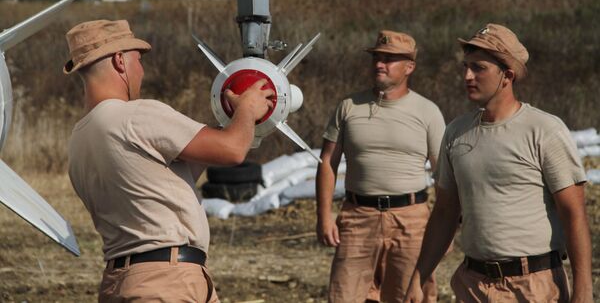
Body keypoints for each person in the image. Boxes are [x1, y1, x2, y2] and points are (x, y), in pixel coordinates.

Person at [64, 19, 274, 302]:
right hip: (166, 280)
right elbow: (233, 150)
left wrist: (231, 122)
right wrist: (248, 109)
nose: (142, 71)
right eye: (138, 61)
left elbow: (167, 179)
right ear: (119, 61)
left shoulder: (78, 140)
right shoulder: (137, 115)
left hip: (122, 281)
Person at [404, 24, 592, 303]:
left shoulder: (543, 130)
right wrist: (418, 278)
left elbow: (573, 214)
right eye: (466, 67)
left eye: (479, 68)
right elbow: (445, 212)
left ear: (507, 75)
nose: (467, 76)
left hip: (533, 287)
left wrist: (583, 292)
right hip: (473, 285)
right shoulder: (456, 132)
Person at [316, 30, 445, 303]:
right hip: (357, 218)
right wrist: (324, 216)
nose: (379, 64)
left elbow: (443, 174)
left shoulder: (428, 111)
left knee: (411, 296)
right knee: (344, 295)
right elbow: (328, 161)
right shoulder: (348, 107)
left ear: (410, 67)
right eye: (376, 58)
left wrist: (443, 230)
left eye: (389, 59)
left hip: (411, 221)